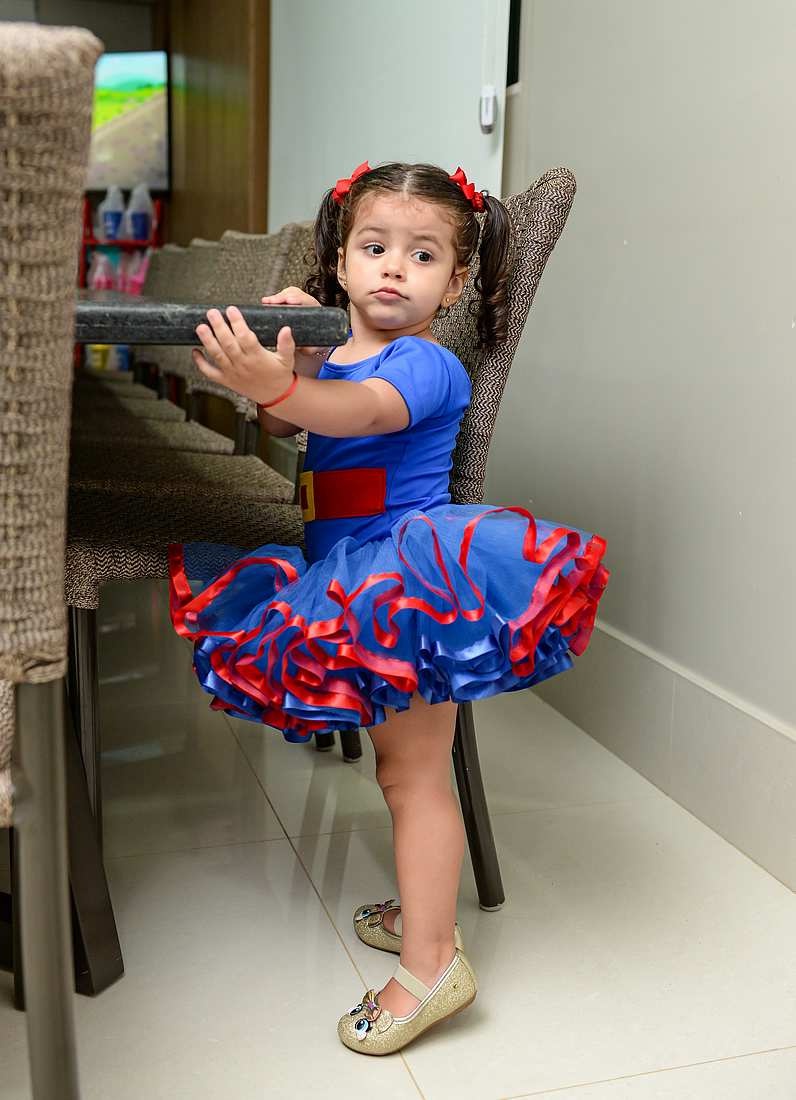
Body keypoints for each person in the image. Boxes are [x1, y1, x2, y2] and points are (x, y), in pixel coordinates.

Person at [169, 161, 609, 1055]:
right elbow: (292, 425)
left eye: (423, 255)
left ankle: (433, 963)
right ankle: (424, 909)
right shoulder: (341, 352)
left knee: (414, 777)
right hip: (345, 575)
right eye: (375, 247)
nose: (394, 268)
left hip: (409, 580)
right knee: (397, 771)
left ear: (455, 283)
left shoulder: (427, 365)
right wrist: (291, 359)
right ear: (342, 260)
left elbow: (358, 415)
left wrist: (281, 385)